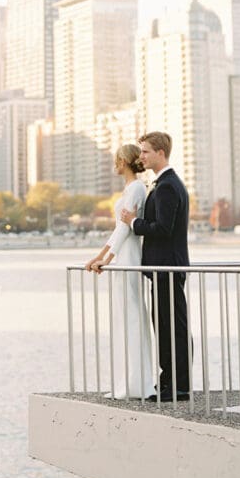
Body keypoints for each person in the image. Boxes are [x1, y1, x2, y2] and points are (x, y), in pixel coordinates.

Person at [120, 131, 191, 402]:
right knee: (169, 326)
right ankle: (171, 384)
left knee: (171, 328)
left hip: (167, 268)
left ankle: (176, 387)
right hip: (165, 268)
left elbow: (163, 229)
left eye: (146, 151)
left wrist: (133, 222)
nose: (141, 157)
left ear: (161, 153)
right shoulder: (164, 184)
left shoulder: (168, 187)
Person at [85, 144, 155, 399]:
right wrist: (101, 256)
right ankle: (128, 381)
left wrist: (106, 258)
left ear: (124, 160)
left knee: (133, 316)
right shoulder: (130, 188)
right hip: (122, 254)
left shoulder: (137, 187)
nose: (114, 164)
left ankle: (138, 384)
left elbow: (126, 229)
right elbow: (119, 227)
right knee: (125, 317)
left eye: (116, 159)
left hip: (130, 255)